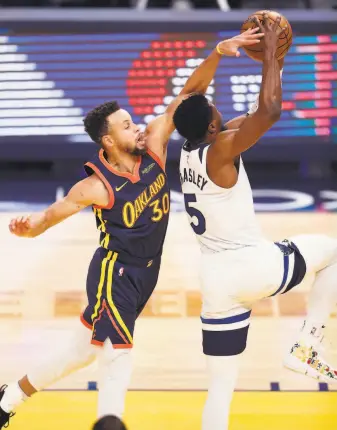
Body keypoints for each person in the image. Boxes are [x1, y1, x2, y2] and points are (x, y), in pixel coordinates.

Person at [0, 29, 263, 429]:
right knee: (116, 350)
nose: (138, 127)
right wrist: (28, 226)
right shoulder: (95, 185)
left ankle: (8, 399)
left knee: (82, 350)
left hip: (147, 272)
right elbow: (49, 217)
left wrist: (216, 53)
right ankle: (110, 420)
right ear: (108, 141)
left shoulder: (154, 144)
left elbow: (188, 97)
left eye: (135, 121)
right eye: (127, 126)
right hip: (115, 273)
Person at [173, 13, 337, 430]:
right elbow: (269, 111)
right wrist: (267, 55)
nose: (218, 107)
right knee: (333, 253)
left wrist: (221, 52)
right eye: (216, 109)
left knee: (221, 390)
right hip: (249, 267)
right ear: (213, 125)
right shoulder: (221, 148)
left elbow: (191, 96)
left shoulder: (191, 146)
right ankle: (308, 344)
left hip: (215, 282)